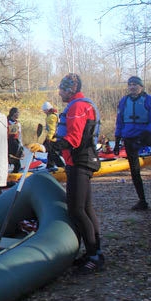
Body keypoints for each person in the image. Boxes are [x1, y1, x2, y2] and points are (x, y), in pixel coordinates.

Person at [52, 73, 104, 273]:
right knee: (86, 208)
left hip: (80, 161)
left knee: (76, 210)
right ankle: (94, 252)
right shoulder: (80, 104)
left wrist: (53, 146)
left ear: (70, 89)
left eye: (62, 89)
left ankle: (94, 255)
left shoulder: (77, 106)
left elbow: (74, 138)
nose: (60, 92)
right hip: (81, 160)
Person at [114, 75, 151, 211]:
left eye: (135, 84)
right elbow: (119, 121)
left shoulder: (149, 99)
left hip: (144, 134)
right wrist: (116, 141)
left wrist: (146, 133)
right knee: (135, 170)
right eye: (130, 84)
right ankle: (142, 201)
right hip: (129, 137)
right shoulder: (124, 101)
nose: (132, 87)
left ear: (141, 86)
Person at [39, 102, 65, 169]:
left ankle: (61, 167)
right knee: (51, 153)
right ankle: (50, 166)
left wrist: (49, 138)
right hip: (57, 137)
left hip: (53, 138)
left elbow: (52, 129)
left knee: (53, 153)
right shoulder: (55, 115)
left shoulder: (51, 117)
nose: (44, 112)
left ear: (47, 110)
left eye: (44, 111)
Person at [7, 107, 24, 172]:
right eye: (17, 113)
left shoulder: (18, 124)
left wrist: (21, 145)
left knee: (17, 162)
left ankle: (15, 175)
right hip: (8, 142)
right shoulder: (6, 122)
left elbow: (19, 135)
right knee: (8, 159)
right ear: (13, 113)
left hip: (15, 143)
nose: (18, 114)